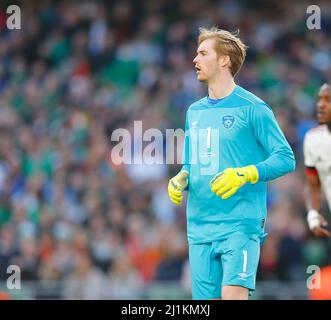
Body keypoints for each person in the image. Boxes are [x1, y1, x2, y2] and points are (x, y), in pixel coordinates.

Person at [167, 27, 295, 300]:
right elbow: (192, 163)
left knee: (233, 296)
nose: (194, 60)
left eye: (202, 53)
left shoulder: (254, 108)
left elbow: (286, 158)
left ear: (224, 60)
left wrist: (247, 173)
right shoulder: (195, 111)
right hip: (199, 227)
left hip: (239, 224)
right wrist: (181, 177)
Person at [303, 83, 331, 238]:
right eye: (319, 99)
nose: (321, 104)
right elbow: (313, 185)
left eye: (328, 100)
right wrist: (313, 215)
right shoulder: (313, 139)